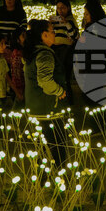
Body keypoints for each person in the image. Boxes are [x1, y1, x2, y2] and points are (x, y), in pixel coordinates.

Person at [23, 20, 68, 166]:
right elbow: (45, 81)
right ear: (44, 35)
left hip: (36, 107)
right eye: (52, 31)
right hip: (48, 108)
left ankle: (43, 180)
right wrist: (59, 91)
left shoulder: (34, 51)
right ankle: (60, 179)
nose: (54, 34)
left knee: (42, 148)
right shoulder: (44, 54)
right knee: (56, 147)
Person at [51, 0, 79, 105]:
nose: (60, 10)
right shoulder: (55, 20)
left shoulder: (71, 20)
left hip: (66, 51)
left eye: (63, 7)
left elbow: (75, 36)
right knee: (57, 75)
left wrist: (67, 23)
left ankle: (68, 101)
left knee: (65, 76)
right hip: (55, 50)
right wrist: (50, 25)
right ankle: (59, 100)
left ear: (68, 8)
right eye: (58, 8)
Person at [5, 28, 26, 107]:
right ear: (17, 40)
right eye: (23, 36)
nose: (26, 38)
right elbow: (16, 74)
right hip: (20, 89)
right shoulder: (17, 53)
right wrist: (18, 92)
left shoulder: (22, 52)